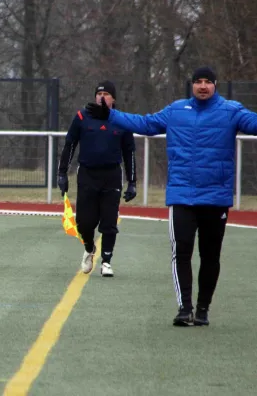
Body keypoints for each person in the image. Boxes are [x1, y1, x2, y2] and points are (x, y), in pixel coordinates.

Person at [85, 66, 257, 326]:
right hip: (182, 195)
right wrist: (110, 115)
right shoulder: (176, 110)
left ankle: (202, 309)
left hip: (216, 197)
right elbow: (144, 124)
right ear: (191, 85)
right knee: (182, 252)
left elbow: (253, 124)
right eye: (198, 81)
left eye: (207, 82)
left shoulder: (231, 111)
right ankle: (184, 307)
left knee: (210, 256)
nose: (202, 86)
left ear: (215, 85)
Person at [58, 80, 137, 277]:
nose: (102, 97)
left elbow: (130, 153)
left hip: (111, 176)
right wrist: (62, 173)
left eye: (107, 94)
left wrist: (132, 181)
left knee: (109, 222)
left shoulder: (121, 120)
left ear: (114, 99)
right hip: (87, 175)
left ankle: (107, 261)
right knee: (84, 222)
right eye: (99, 94)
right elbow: (69, 145)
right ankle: (89, 247)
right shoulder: (82, 117)